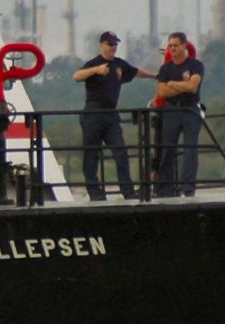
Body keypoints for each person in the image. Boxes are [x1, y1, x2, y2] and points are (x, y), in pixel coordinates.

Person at [71, 30, 151, 200]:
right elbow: (77, 76)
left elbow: (136, 72)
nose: (113, 47)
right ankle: (95, 192)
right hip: (93, 112)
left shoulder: (119, 64)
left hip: (111, 113)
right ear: (102, 45)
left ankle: (127, 191)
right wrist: (96, 70)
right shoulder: (94, 63)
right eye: (110, 44)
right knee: (92, 153)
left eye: (115, 44)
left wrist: (155, 76)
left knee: (120, 151)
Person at [152, 32, 205, 196]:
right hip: (172, 111)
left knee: (190, 149)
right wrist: (183, 85)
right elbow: (161, 91)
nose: (173, 48)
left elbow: (193, 87)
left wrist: (174, 84)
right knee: (168, 149)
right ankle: (166, 188)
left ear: (184, 46)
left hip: (190, 110)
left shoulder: (195, 65)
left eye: (176, 45)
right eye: (170, 45)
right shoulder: (166, 68)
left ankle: (188, 188)